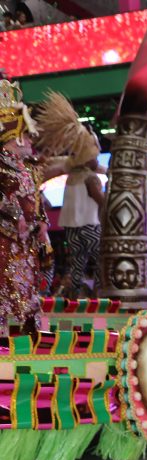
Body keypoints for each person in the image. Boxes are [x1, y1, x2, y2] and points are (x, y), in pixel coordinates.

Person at [35, 92, 103, 299]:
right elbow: (101, 199)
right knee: (99, 257)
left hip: (74, 227)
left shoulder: (74, 174)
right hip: (87, 225)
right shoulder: (88, 177)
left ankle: (75, 294)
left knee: (79, 261)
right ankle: (97, 292)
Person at [0, 79, 48, 334]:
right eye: (27, 136)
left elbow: (37, 199)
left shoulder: (29, 169)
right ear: (15, 138)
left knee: (27, 289)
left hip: (26, 243)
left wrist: (43, 222)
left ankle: (28, 338)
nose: (31, 141)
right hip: (4, 240)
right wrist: (16, 214)